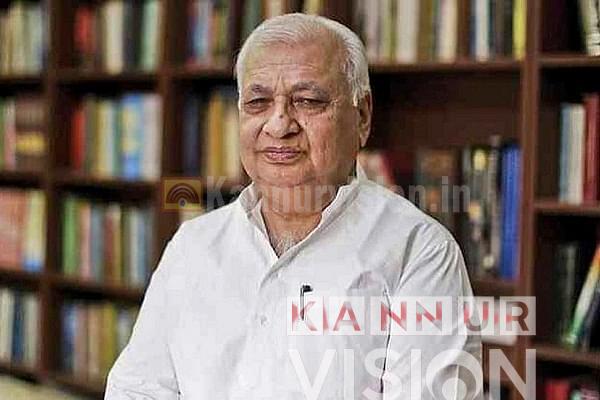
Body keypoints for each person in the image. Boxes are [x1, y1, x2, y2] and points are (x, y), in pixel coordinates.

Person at [105, 13, 482, 400]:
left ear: (362, 117)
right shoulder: (194, 245)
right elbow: (136, 390)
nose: (279, 124)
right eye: (258, 102)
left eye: (308, 101)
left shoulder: (419, 251)